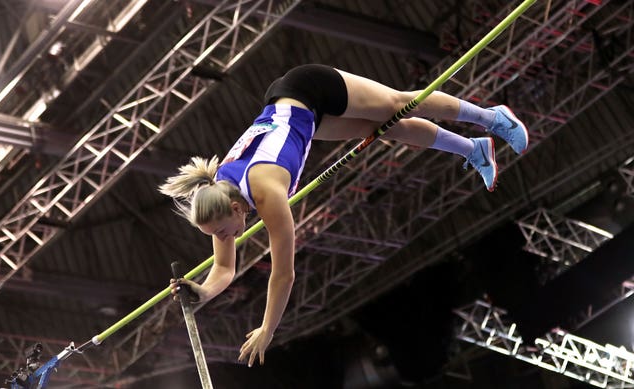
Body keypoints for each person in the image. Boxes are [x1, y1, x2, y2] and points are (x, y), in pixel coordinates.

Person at [161, 64, 528, 368]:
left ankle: (491, 117)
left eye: (223, 232)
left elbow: (284, 274)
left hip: (309, 89)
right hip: (296, 116)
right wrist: (203, 291)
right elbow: (223, 269)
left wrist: (267, 330)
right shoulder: (219, 198)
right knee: (387, 129)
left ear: (237, 210)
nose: (224, 238)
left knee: (399, 105)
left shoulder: (266, 192)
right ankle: (475, 150)